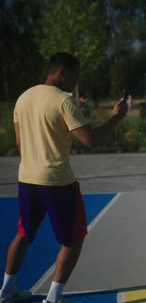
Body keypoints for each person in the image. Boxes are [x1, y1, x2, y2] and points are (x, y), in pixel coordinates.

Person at [0, 52, 128, 303]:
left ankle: (5, 290)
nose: (76, 81)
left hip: (27, 178)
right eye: (75, 75)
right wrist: (117, 117)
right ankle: (53, 298)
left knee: (24, 233)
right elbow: (90, 139)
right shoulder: (63, 101)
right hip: (57, 181)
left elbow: (18, 142)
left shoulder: (23, 98)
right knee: (74, 238)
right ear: (61, 71)